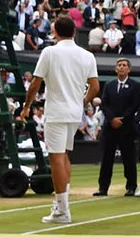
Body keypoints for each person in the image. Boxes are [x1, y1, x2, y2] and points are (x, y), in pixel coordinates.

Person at [20, 16, 99, 224]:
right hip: (73, 113)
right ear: (74, 32)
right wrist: (81, 103)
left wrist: (26, 107)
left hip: (56, 112)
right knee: (63, 156)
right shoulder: (87, 55)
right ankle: (60, 205)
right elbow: (95, 87)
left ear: (55, 32)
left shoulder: (49, 52)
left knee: (56, 158)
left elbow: (36, 83)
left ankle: (63, 211)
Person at [95, 58, 140, 197]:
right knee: (106, 159)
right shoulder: (109, 85)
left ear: (129, 69)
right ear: (116, 69)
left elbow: (135, 105)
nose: (121, 67)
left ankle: (131, 187)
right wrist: (112, 119)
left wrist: (122, 119)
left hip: (126, 128)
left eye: (124, 65)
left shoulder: (135, 86)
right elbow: (104, 104)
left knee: (129, 159)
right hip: (110, 128)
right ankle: (103, 188)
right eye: (119, 65)